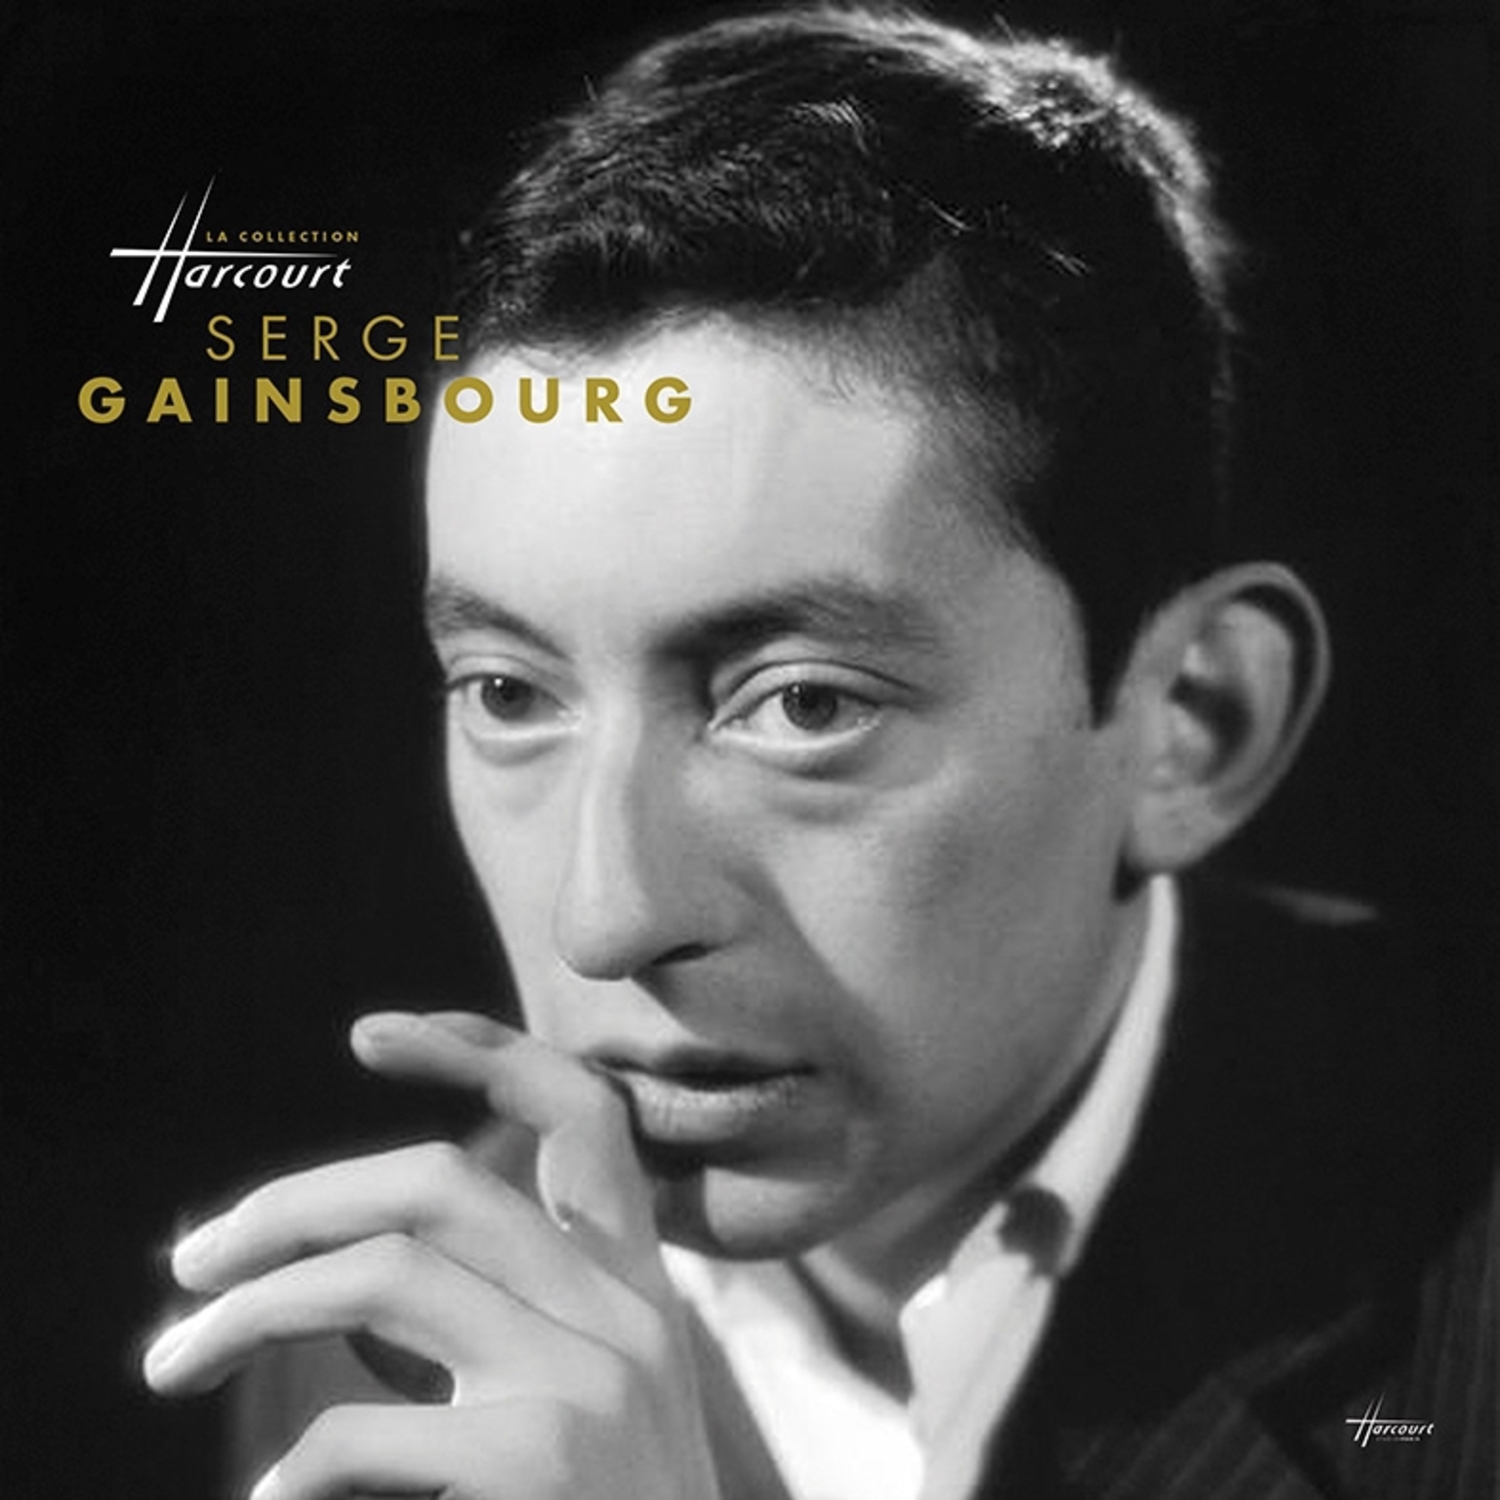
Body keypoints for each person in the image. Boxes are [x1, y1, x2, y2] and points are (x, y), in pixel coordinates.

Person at [142, 6, 1495, 1498]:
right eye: (511, 693)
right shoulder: (371, 1344)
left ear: (1191, 726)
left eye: (801, 705)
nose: (606, 920)